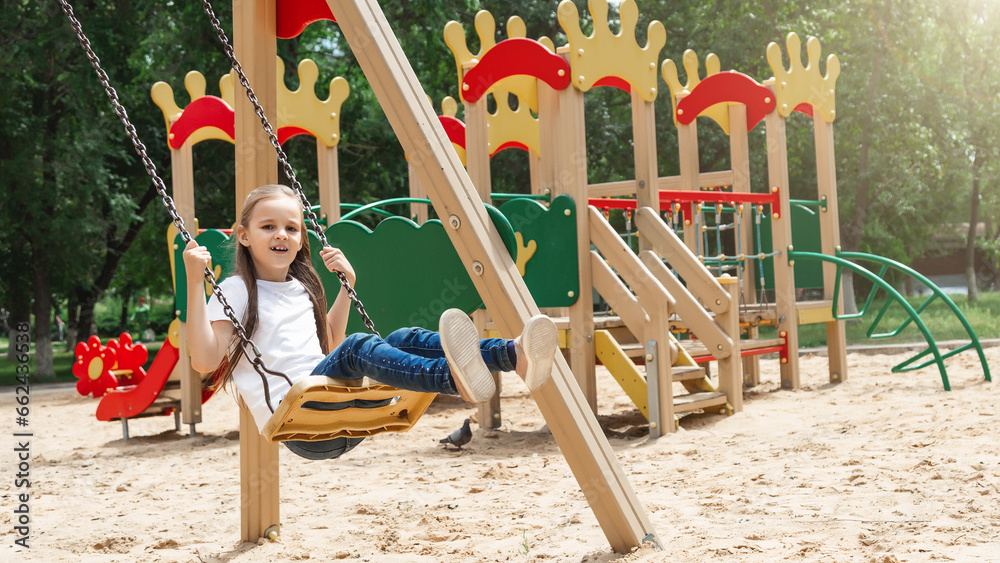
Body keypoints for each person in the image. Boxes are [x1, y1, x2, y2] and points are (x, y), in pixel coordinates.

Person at [182, 184, 558, 445]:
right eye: (268, 227)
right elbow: (204, 360)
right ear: (244, 236)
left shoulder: (301, 288)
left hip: (334, 404)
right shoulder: (235, 289)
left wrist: (347, 286)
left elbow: (328, 346)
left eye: (291, 228)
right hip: (300, 416)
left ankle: (513, 354)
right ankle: (451, 379)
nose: (281, 234)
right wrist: (194, 283)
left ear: (301, 239)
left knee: (403, 337)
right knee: (361, 346)